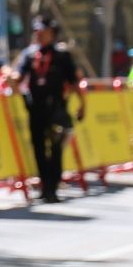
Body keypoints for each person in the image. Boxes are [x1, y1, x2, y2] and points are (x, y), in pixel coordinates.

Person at [10, 14, 85, 204]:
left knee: (56, 148)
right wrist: (12, 80)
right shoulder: (28, 54)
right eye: (37, 31)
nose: (39, 35)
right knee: (38, 148)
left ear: (52, 33)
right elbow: (18, 76)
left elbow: (74, 81)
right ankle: (44, 185)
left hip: (56, 108)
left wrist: (83, 104)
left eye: (43, 31)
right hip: (35, 108)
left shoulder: (62, 55)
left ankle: (53, 186)